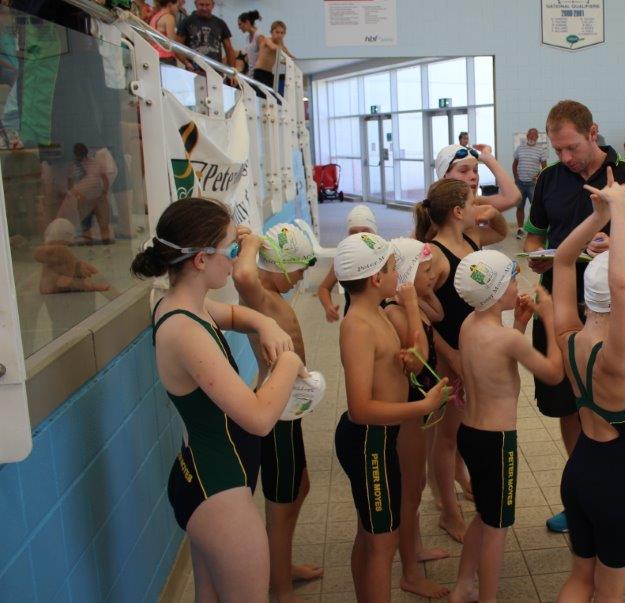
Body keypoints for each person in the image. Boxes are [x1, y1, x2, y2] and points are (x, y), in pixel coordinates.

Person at [130, 197, 303, 600]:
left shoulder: (182, 304)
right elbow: (258, 418)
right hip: (218, 491)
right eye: (232, 248)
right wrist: (290, 361)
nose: (238, 258)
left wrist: (265, 324)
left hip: (204, 475)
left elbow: (234, 316)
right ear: (200, 260)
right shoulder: (184, 331)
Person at [523, 100, 625, 534]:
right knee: (568, 403)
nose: (566, 158)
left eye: (573, 147)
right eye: (558, 150)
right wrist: (537, 256)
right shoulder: (549, 180)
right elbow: (532, 238)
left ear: (593, 132)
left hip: (606, 308)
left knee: (612, 401)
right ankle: (582, 492)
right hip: (558, 301)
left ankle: (621, 485)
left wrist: (617, 245)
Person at [334, 232, 450, 603]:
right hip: (369, 440)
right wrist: (423, 406)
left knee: (372, 536)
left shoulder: (375, 314)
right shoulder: (358, 326)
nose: (398, 273)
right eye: (392, 267)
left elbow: (403, 358)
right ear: (375, 278)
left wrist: (407, 361)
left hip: (381, 439)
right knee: (382, 544)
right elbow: (360, 408)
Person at [449, 251, 563, 603]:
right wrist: (550, 320)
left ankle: (463, 585)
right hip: (497, 444)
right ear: (498, 292)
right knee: (498, 528)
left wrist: (521, 324)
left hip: (470, 434)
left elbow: (497, 366)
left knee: (484, 515)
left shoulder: (469, 325)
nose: (518, 285)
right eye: (513, 280)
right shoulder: (506, 340)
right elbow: (553, 373)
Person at [553, 173, 625, 599]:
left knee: (580, 579)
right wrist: (620, 210)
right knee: (608, 593)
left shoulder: (568, 338)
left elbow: (561, 260)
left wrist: (597, 217)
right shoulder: (616, 361)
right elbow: (622, 287)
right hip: (617, 490)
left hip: (578, 475)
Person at [232, 221, 325, 602]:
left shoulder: (270, 296)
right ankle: (281, 587)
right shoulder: (258, 295)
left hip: (289, 408)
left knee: (299, 487)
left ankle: (281, 566)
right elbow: (242, 273)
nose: (302, 277)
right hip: (276, 414)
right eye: (298, 269)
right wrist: (252, 242)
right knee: (281, 505)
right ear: (279, 267)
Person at [414, 178, 506, 542]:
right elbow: (421, 312)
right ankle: (448, 515)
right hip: (448, 358)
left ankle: (462, 485)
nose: (476, 206)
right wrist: (450, 355)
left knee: (465, 429)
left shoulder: (472, 238)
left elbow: (502, 232)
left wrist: (490, 211)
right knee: (447, 437)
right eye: (472, 202)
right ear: (457, 211)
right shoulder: (435, 256)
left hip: (471, 353)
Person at [383, 239, 449, 600]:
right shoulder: (396, 312)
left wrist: (422, 293)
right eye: (426, 272)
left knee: (418, 482)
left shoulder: (416, 305)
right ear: (406, 277)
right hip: (407, 410)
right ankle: (409, 572)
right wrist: (410, 302)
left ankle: (416, 547)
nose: (433, 276)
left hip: (420, 406)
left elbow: (438, 314)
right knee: (409, 491)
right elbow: (419, 358)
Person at [318, 204, 378, 322]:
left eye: (365, 232)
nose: (359, 236)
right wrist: (328, 307)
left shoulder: (384, 254)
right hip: (354, 318)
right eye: (353, 232)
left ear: (375, 232)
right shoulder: (344, 259)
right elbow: (323, 288)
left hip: (382, 315)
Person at [434, 142, 520, 217]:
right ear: (444, 176)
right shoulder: (435, 212)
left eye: (475, 170)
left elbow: (513, 198)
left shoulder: (475, 203)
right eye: (463, 171)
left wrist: (488, 158)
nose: (473, 176)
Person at [175, 0, 237, 68]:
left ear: (213, 5)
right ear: (195, 4)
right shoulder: (187, 22)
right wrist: (186, 63)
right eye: (201, 5)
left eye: (207, 5)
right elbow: (177, 46)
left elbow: (229, 49)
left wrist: (232, 70)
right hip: (194, 71)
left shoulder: (220, 23)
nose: (204, 8)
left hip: (215, 71)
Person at [512, 128, 548, 239]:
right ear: (527, 136)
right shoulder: (520, 148)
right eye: (530, 135)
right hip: (520, 184)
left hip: (533, 185)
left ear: (537, 137)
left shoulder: (541, 150)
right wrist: (516, 178)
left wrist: (538, 177)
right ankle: (520, 229)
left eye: (534, 135)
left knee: (536, 208)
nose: (532, 137)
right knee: (520, 207)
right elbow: (514, 164)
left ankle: (535, 231)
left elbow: (544, 167)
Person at [253, 20, 293, 88]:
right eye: (277, 32)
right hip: (260, 72)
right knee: (260, 92)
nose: (279, 35)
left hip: (270, 73)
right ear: (271, 32)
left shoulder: (281, 45)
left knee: (270, 93)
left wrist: (291, 60)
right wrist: (283, 49)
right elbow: (273, 47)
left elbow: (289, 56)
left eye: (282, 33)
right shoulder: (267, 40)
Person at [149, 0, 179, 64]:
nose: (177, 9)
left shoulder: (155, 17)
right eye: (177, 6)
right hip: (166, 57)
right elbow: (172, 40)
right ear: (170, 5)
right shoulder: (169, 17)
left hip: (155, 55)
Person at [237, 10, 263, 74]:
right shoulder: (247, 38)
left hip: (257, 74)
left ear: (247, 22)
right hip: (250, 73)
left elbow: (263, 58)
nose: (239, 27)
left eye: (240, 24)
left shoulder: (259, 37)